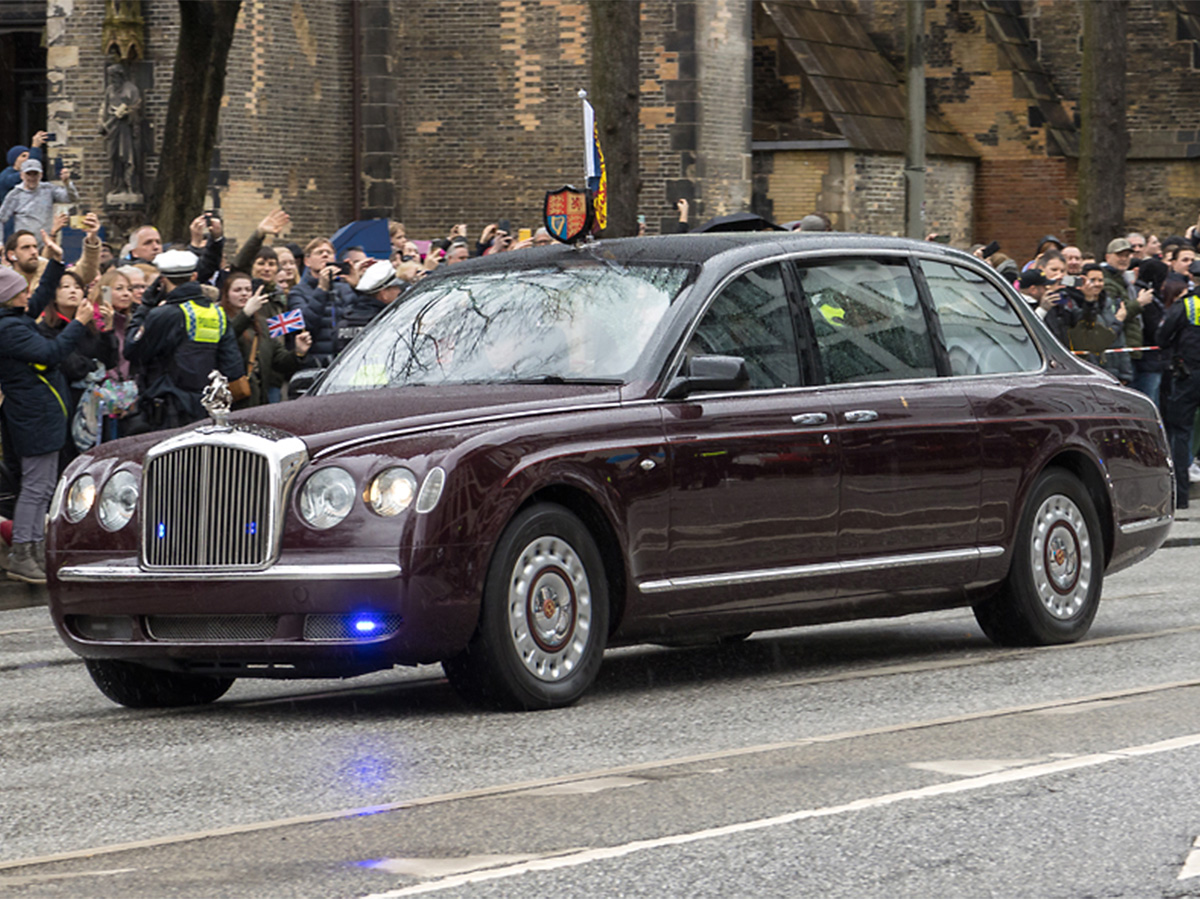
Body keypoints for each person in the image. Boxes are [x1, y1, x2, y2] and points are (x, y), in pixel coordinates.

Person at [0, 251, 93, 582]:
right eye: (22, 290)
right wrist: (79, 323)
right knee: (36, 487)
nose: (29, 294)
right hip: (34, 416)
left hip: (38, 415)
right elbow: (51, 352)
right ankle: (23, 553)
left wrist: (54, 264)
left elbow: (38, 297)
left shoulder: (15, 318)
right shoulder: (9, 329)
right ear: (9, 297)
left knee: (41, 486)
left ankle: (34, 548)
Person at [123, 249, 245, 429]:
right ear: (194, 277)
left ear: (162, 280)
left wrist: (145, 307)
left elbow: (132, 350)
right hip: (206, 409)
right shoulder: (217, 314)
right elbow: (233, 369)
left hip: (166, 409)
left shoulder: (163, 315)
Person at [218, 270, 311, 408]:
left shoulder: (261, 323)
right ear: (226, 294)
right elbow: (226, 339)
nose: (244, 294)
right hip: (232, 398)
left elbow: (280, 361)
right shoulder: (219, 318)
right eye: (237, 290)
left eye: (248, 290)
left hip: (259, 397)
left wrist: (298, 352)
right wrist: (245, 314)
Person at [286, 237, 363, 366]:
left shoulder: (345, 289)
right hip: (316, 363)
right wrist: (322, 289)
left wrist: (357, 287)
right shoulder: (298, 292)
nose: (325, 255)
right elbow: (304, 324)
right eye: (319, 252)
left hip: (347, 361)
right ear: (307, 261)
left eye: (329, 253)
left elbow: (363, 316)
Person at [1157, 279, 1200, 508]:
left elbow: (1162, 337)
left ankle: (1180, 496)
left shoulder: (1187, 305)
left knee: (1180, 433)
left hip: (1188, 376)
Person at [0, 158, 79, 241]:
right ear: (21, 175)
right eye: (28, 174)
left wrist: (67, 183)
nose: (32, 178)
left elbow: (71, 198)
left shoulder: (49, 189)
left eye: (35, 174)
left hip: (47, 242)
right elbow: (1, 218)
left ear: (41, 175)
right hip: (25, 243)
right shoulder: (15, 194)